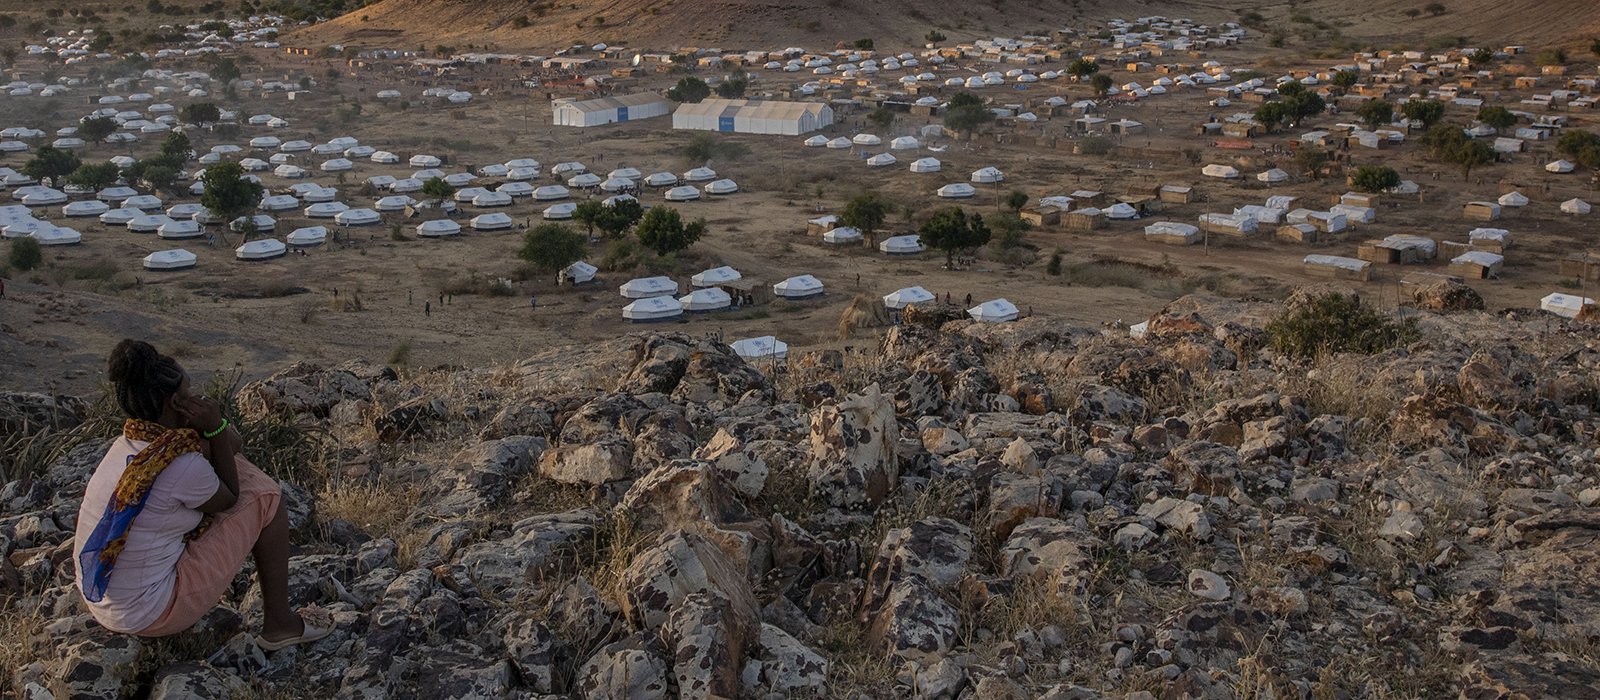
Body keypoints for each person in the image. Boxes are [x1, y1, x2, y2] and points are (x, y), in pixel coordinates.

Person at [73, 340, 333, 648]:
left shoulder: (133, 446)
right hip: (151, 612)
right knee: (268, 497)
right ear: (176, 403)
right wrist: (215, 425)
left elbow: (231, 449)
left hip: (106, 602)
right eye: (190, 390)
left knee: (234, 465)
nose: (197, 396)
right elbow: (230, 496)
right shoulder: (181, 464)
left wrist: (210, 432)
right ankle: (279, 623)